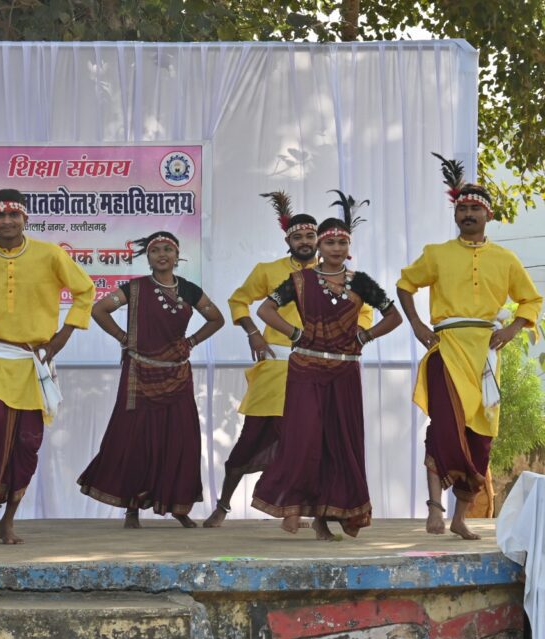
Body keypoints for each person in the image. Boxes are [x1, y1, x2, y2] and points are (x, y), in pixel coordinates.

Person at [203, 194, 372, 528]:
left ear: (319, 240)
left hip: (319, 371)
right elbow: (240, 301)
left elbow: (364, 312)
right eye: (298, 237)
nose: (305, 242)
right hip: (276, 371)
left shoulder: (336, 276)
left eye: (310, 236)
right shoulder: (269, 272)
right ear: (288, 241)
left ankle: (297, 512)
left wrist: (355, 334)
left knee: (313, 446)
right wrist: (253, 333)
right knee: (250, 441)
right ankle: (222, 506)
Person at [0, 168, 95, 544]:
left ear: (25, 218)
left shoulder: (50, 255)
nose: (8, 221)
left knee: (27, 441)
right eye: (1, 216)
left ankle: (8, 518)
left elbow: (85, 290)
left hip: (34, 359)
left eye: (14, 215)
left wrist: (63, 335)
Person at [397, 154, 542, 540]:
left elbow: (531, 300)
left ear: (488, 215)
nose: (467, 214)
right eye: (462, 209)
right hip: (446, 349)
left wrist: (513, 329)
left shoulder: (505, 259)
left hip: (486, 356)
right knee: (444, 427)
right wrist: (417, 325)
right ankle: (434, 507)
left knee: (481, 437)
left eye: (475, 209)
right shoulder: (437, 253)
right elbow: (405, 284)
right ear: (456, 215)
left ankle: (460, 518)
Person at [251, 192, 402, 539]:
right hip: (306, 368)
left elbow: (394, 316)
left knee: (339, 443)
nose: (336, 247)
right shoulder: (300, 281)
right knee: (303, 438)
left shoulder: (361, 281)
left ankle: (323, 519)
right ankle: (292, 506)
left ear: (349, 247)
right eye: (330, 242)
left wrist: (366, 336)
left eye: (342, 242)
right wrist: (294, 333)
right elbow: (264, 310)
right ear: (319, 245)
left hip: (345, 370)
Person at [77, 231, 224, 527]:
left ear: (177, 255)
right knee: (134, 440)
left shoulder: (189, 290)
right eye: (156, 250)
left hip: (177, 373)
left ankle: (178, 505)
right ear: (148, 257)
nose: (162, 255)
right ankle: (132, 508)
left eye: (168, 249)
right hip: (139, 373)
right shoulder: (134, 288)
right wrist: (123, 338)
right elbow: (99, 310)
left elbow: (217, 319)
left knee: (181, 439)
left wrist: (192, 341)